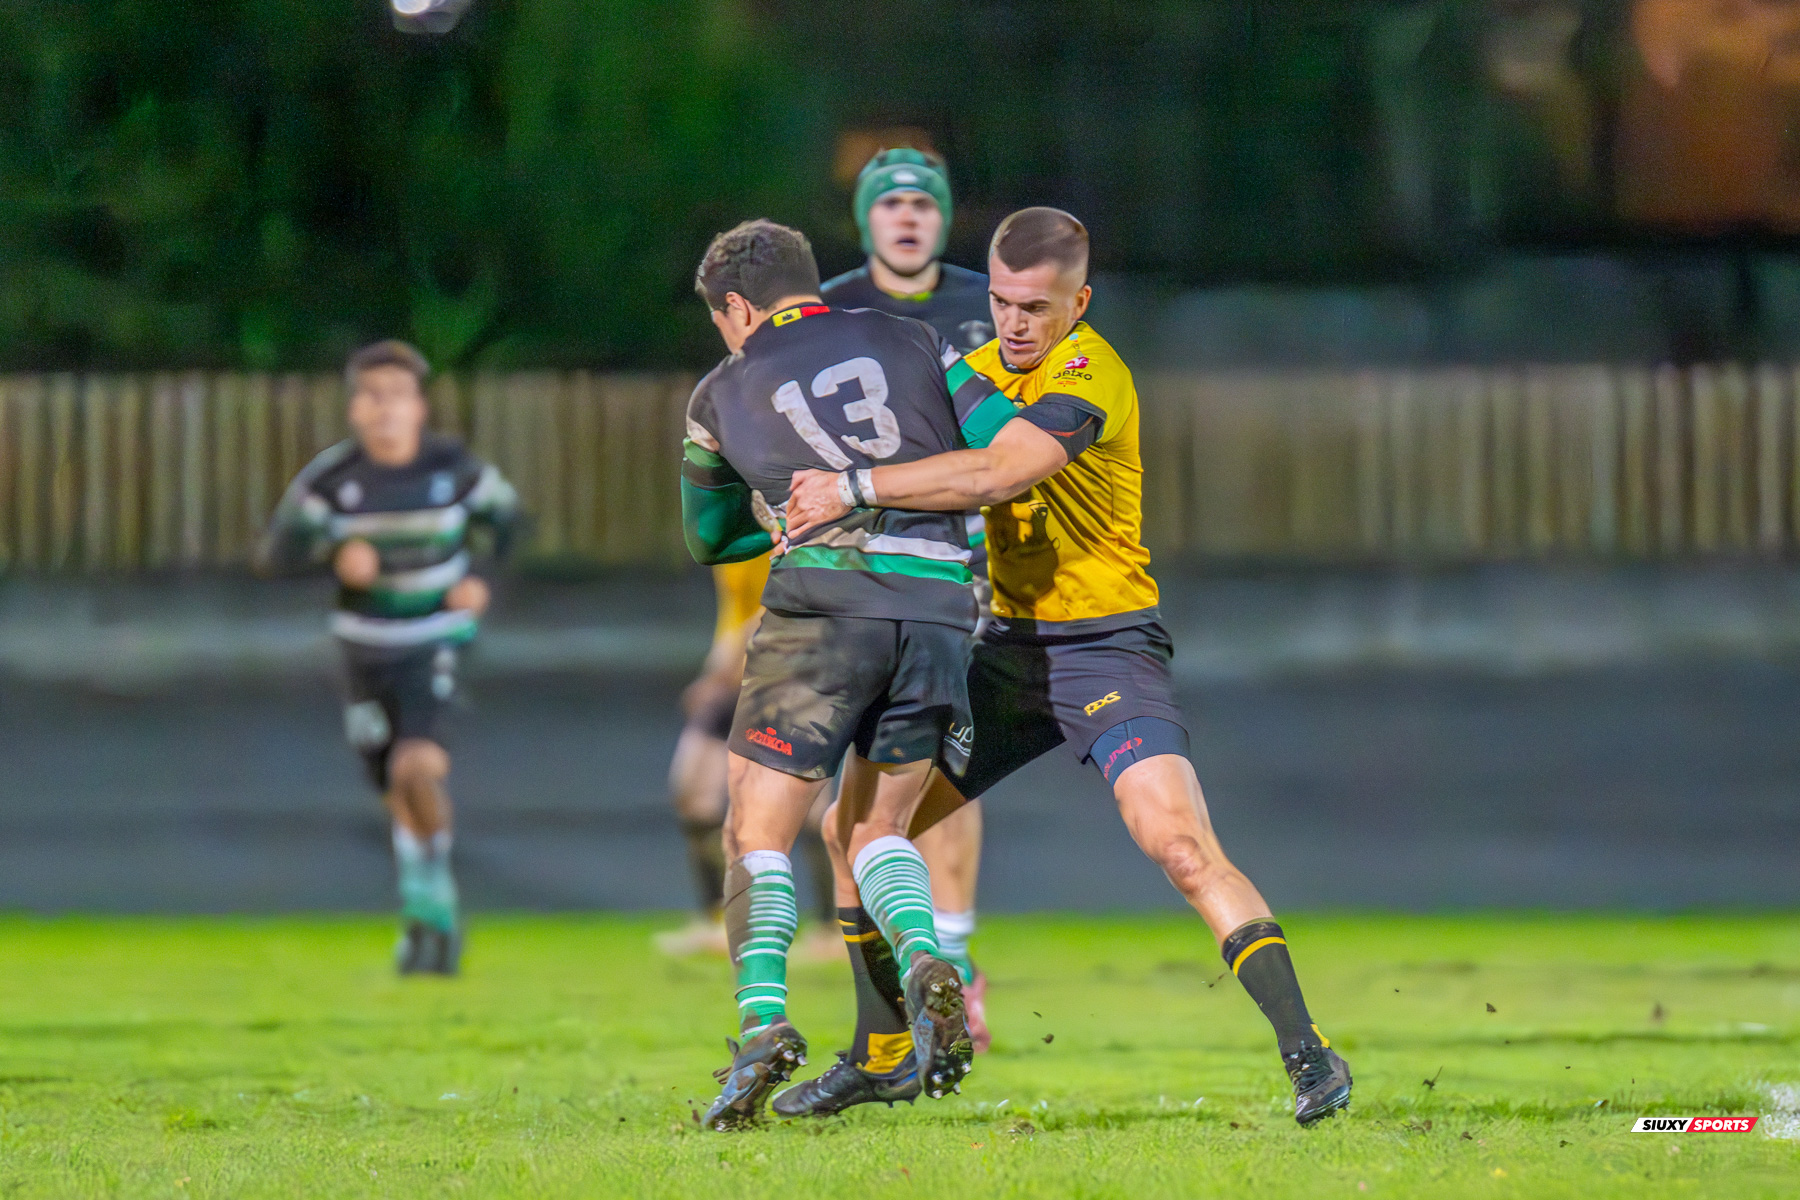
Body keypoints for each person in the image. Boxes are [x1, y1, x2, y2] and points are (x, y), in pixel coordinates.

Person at [777, 208, 1354, 1126]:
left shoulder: (1092, 373)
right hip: (1004, 657)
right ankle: (882, 1054)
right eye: (1002, 302)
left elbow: (996, 474)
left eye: (1036, 307)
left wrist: (850, 489)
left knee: (1176, 843)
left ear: (1077, 303)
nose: (1013, 322)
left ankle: (1309, 1054)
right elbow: (890, 442)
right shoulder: (973, 372)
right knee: (854, 831)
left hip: (1107, 652)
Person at [681, 218, 1020, 1129]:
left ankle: (761, 1024)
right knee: (872, 827)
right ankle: (923, 958)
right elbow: (1003, 450)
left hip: (824, 608)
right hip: (943, 605)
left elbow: (708, 537)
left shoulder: (721, 391)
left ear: (740, 308)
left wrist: (781, 513)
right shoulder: (915, 338)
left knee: (756, 820)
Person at [256, 340, 520, 975]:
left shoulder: (454, 468)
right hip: (362, 649)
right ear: (354, 409)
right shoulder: (330, 480)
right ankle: (424, 908)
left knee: (416, 767)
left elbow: (509, 526)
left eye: (398, 396)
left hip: (435, 638)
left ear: (419, 406)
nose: (386, 410)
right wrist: (333, 557)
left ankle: (438, 905)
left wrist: (480, 578)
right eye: (372, 397)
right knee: (393, 788)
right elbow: (277, 554)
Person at [820, 148, 995, 1048]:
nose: (907, 214)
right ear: (866, 220)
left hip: (959, 565)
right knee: (849, 801)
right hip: (856, 568)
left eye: (923, 201)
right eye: (888, 201)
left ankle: (954, 972)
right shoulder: (831, 308)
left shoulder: (985, 304)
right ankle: (891, 993)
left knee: (945, 775)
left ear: (942, 217)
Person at [654, 555, 769, 958]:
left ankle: (830, 927)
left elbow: (789, 598)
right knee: (692, 795)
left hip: (775, 673)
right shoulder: (730, 524)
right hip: (730, 677)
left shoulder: (784, 513)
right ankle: (717, 920)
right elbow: (737, 610)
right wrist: (716, 671)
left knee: (800, 809)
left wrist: (726, 667)